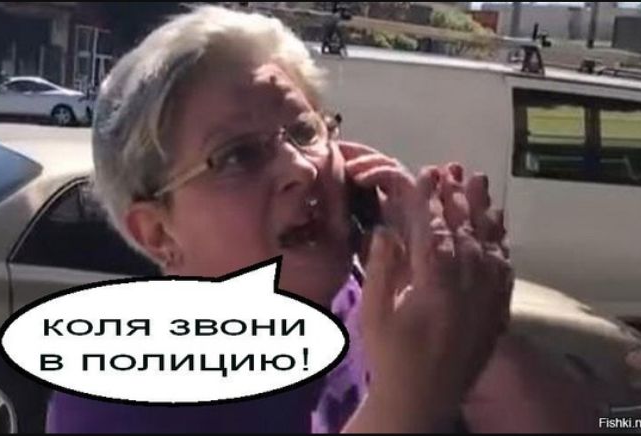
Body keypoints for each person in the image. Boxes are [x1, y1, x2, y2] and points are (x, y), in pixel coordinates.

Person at [46, 5, 600, 433]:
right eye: (238, 155)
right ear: (159, 231)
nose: (300, 167)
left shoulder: (372, 302)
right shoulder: (113, 398)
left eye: (304, 131)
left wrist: (475, 329)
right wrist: (408, 402)